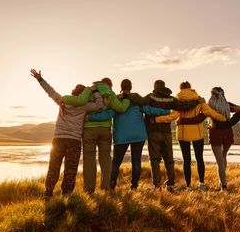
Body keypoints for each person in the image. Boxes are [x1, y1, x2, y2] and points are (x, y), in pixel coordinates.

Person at [30, 69, 103, 200]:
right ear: (84, 95)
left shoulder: (62, 100)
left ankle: (48, 192)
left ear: (73, 92)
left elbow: (50, 91)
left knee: (54, 166)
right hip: (74, 141)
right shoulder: (85, 105)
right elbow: (99, 105)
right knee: (71, 169)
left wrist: (40, 79)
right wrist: (95, 91)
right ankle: (66, 195)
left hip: (58, 139)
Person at [87, 79, 170, 190]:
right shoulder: (136, 100)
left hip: (121, 136)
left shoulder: (116, 100)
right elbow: (150, 110)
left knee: (116, 162)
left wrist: (90, 117)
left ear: (121, 87)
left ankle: (111, 185)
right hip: (138, 136)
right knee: (136, 161)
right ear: (130, 87)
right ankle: (134, 186)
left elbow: (108, 114)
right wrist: (166, 111)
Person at [150, 81, 227, 191]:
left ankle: (188, 186)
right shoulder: (199, 99)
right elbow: (210, 112)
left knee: (186, 160)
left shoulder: (178, 99)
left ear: (180, 88)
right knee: (199, 158)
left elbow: (173, 116)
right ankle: (201, 184)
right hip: (198, 133)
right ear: (190, 88)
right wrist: (223, 118)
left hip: (182, 133)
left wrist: (157, 119)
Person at [125, 80, 201, 190]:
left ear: (155, 87)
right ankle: (171, 183)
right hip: (166, 133)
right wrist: (195, 102)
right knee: (169, 159)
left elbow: (140, 100)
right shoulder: (170, 99)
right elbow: (183, 106)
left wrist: (126, 95)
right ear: (164, 87)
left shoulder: (151, 97)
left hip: (153, 132)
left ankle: (157, 184)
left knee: (155, 160)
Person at [62, 77, 130, 194]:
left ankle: (89, 189)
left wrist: (62, 99)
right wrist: (125, 99)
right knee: (106, 160)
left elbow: (80, 102)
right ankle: (106, 188)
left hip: (89, 130)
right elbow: (119, 108)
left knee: (89, 160)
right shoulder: (110, 93)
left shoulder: (89, 90)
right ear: (110, 85)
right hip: (105, 130)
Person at [207, 87, 233, 191]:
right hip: (228, 132)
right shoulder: (227, 104)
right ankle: (222, 182)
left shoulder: (210, 105)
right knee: (223, 157)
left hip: (215, 133)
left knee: (220, 161)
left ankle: (223, 185)